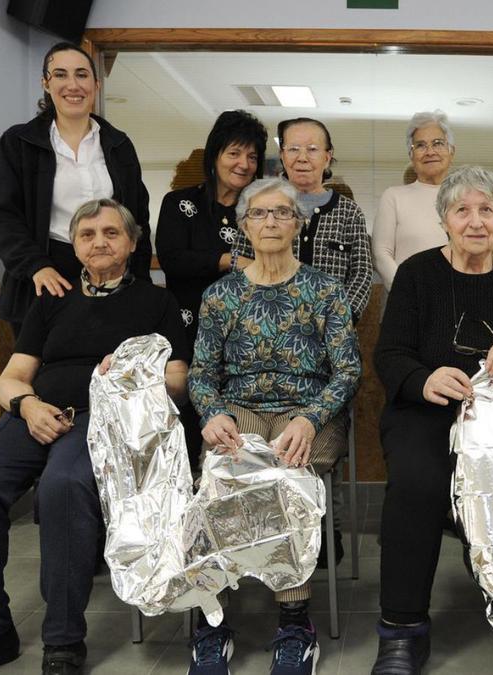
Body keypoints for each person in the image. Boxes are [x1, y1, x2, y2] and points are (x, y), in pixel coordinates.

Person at [0, 199, 190, 675]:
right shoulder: (53, 298)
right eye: (87, 234)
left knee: (64, 488)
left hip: (105, 418)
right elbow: (11, 377)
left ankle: (64, 640)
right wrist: (26, 405)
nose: (99, 242)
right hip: (38, 413)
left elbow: (178, 378)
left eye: (111, 233)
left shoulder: (157, 302)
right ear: (74, 246)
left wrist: (133, 373)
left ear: (132, 244)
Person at [371, 166, 493, 675]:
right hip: (428, 413)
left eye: (486, 210)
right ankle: (402, 628)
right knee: (418, 483)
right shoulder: (417, 274)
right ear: (445, 221)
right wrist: (422, 378)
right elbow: (389, 355)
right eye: (462, 211)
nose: (475, 222)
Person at [188, 177, 361, 675]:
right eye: (259, 214)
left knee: (287, 476)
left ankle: (294, 621)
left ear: (298, 224)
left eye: (281, 213)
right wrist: (212, 413)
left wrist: (309, 418)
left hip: (308, 411)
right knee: (221, 476)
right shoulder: (221, 295)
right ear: (244, 226)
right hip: (238, 410)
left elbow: (348, 369)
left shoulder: (324, 290)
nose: (270, 222)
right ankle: (213, 620)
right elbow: (202, 371)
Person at [0, 41, 151, 335]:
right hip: (46, 279)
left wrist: (141, 286)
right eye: (60, 75)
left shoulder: (119, 144)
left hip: (111, 277)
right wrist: (36, 266)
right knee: (48, 377)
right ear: (45, 83)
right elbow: (0, 214)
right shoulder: (19, 143)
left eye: (82, 75)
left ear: (96, 84)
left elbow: (138, 221)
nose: (72, 85)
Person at [156, 109, 268, 466]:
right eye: (234, 153)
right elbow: (174, 260)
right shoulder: (179, 203)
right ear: (214, 154)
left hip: (245, 337)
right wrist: (228, 261)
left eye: (252, 156)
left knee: (233, 430)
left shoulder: (261, 212)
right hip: (188, 326)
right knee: (188, 419)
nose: (244, 164)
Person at [232, 117, 373, 323]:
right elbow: (237, 260)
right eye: (293, 149)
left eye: (313, 149)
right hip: (265, 326)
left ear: (327, 156)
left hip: (332, 334)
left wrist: (340, 320)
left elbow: (362, 273)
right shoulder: (258, 204)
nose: (302, 158)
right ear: (282, 155)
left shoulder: (349, 212)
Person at [371, 110, 456, 289]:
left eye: (438, 143)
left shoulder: (465, 198)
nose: (430, 151)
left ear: (451, 151)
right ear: (411, 155)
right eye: (420, 145)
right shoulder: (393, 196)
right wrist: (407, 292)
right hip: (407, 299)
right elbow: (381, 253)